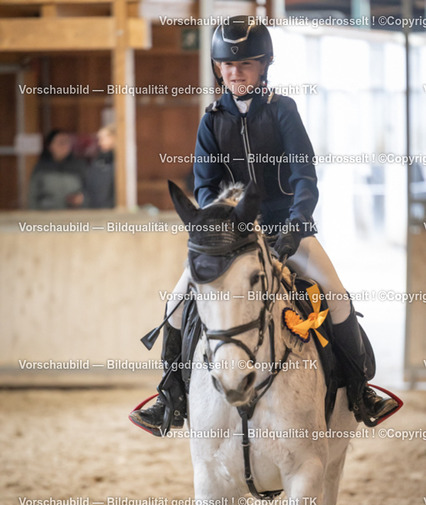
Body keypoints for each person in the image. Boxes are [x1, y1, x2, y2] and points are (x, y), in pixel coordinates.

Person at [130, 16, 398, 434]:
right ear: (218, 68)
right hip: (233, 239)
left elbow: (304, 176)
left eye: (246, 64)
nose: (236, 73)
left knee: (336, 294)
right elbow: (205, 186)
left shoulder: (282, 110)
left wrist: (297, 223)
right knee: (176, 304)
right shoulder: (211, 119)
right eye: (228, 65)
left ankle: (360, 388)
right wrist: (219, 227)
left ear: (264, 66)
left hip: (287, 231)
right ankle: (171, 395)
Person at [27, 129, 86, 210]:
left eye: (67, 142)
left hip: (73, 213)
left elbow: (89, 190)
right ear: (50, 146)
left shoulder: (79, 166)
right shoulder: (41, 167)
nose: (64, 146)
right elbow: (33, 194)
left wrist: (82, 199)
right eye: (60, 142)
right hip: (47, 213)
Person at [85, 124, 116, 208]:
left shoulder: (122, 163)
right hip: (96, 209)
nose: (99, 143)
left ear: (114, 138)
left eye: (102, 139)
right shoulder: (97, 161)